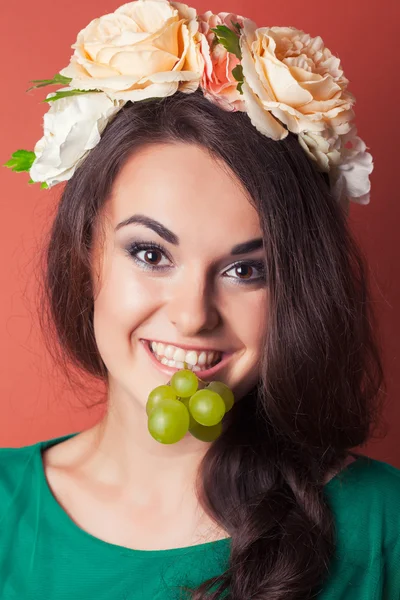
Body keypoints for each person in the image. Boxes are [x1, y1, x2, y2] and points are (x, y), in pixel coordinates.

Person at [1, 1, 399, 598]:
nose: (192, 314)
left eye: (245, 269)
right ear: (86, 253)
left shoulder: (383, 524)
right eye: (151, 254)